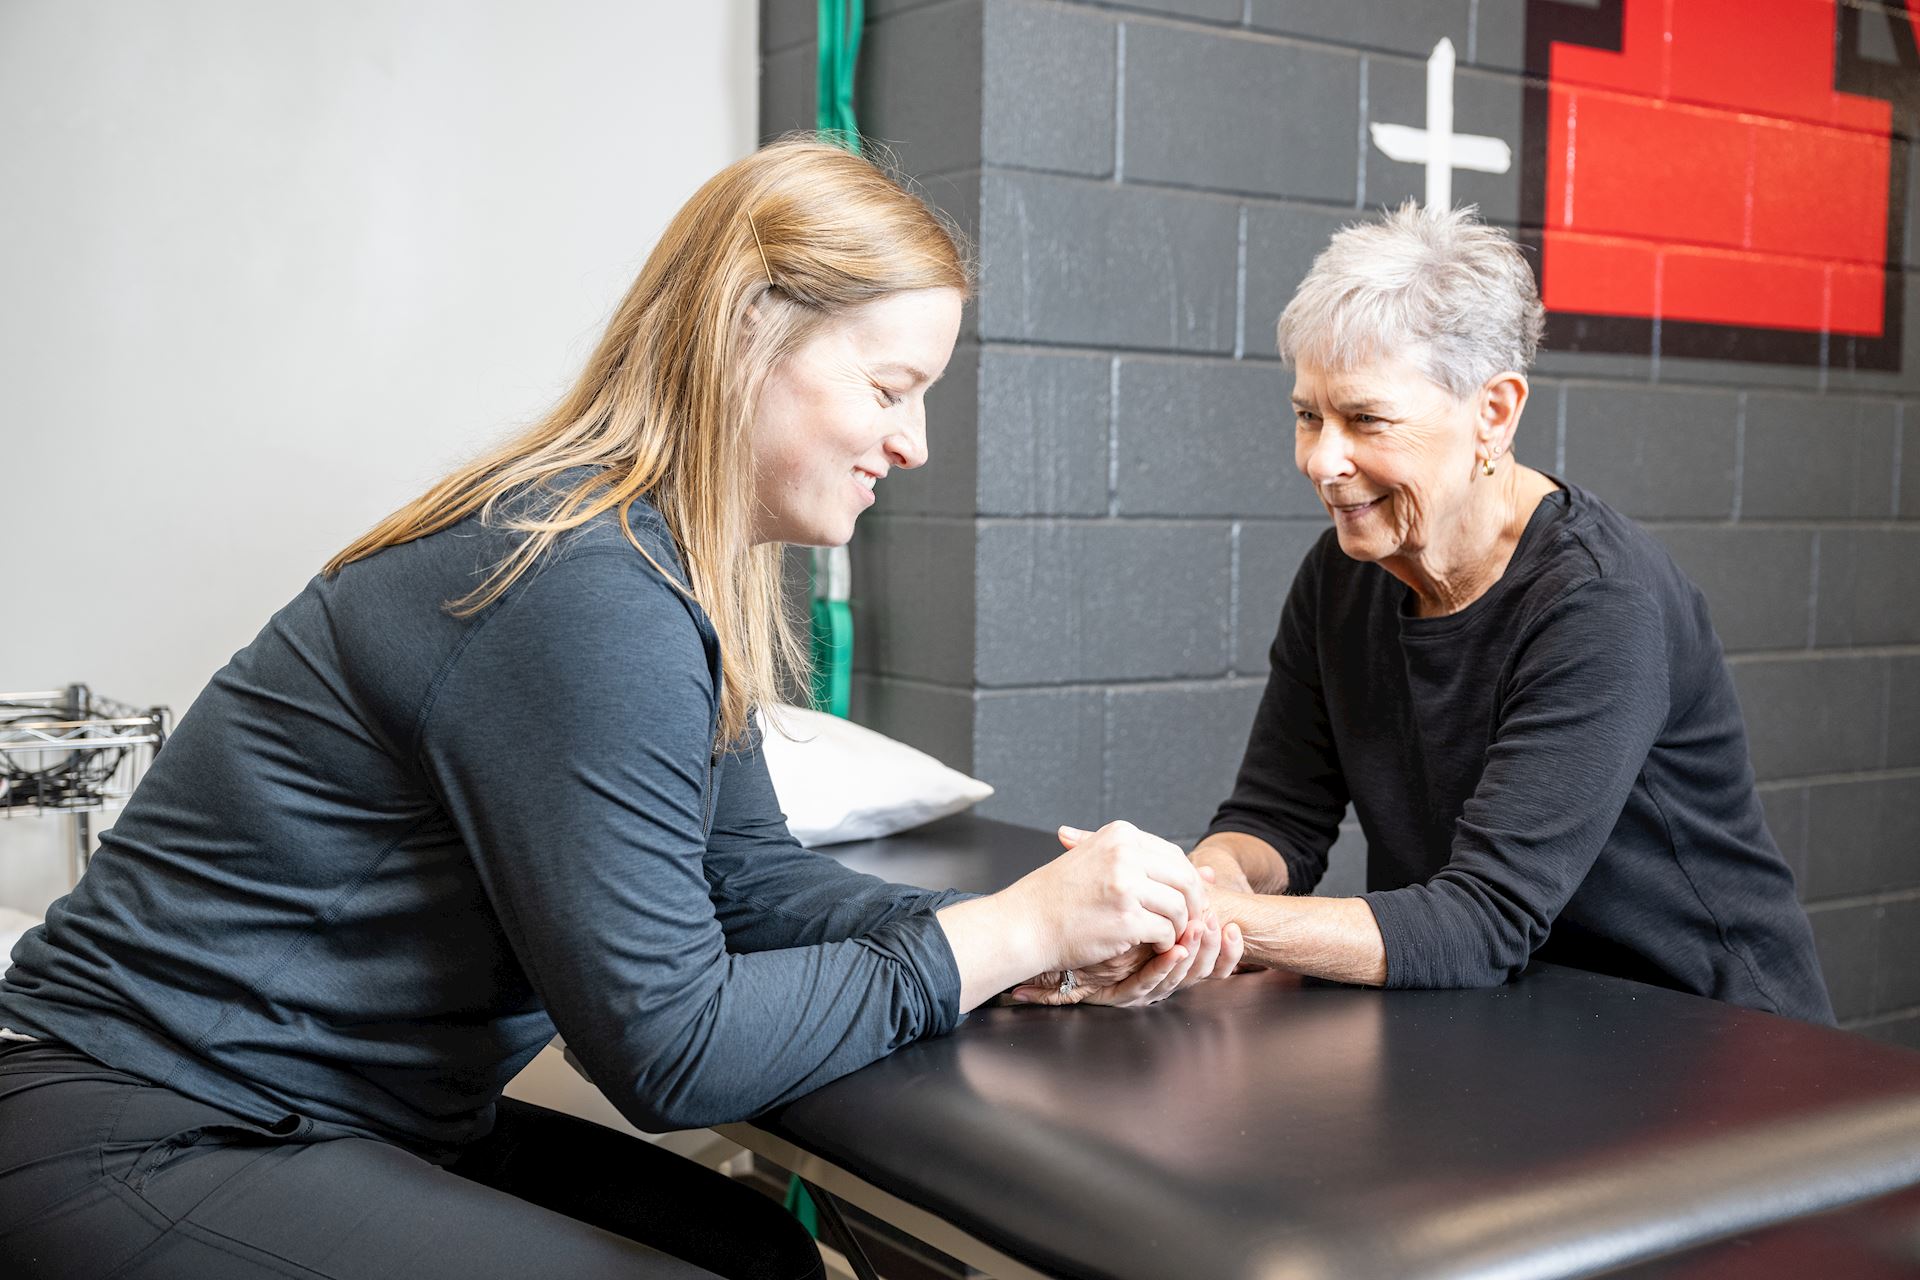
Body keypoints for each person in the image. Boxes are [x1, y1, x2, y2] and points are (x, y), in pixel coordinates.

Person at [0, 140, 1239, 1280]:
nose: (913, 443)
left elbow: (745, 881)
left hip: (337, 1113)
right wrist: (1011, 935)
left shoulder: (667, 564)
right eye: (890, 386)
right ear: (747, 334)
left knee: (764, 1252)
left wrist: (1025, 946)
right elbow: (673, 1049)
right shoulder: (582, 584)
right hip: (146, 1124)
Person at [1184, 203, 1832, 1023]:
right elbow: (1276, 817)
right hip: (1514, 1018)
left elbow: (1480, 921)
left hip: (1708, 1045)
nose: (1322, 459)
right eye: (1308, 415)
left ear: (1494, 412)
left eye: (1365, 419)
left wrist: (1210, 920)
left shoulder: (1599, 601)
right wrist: (1202, 881)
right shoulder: (1344, 573)